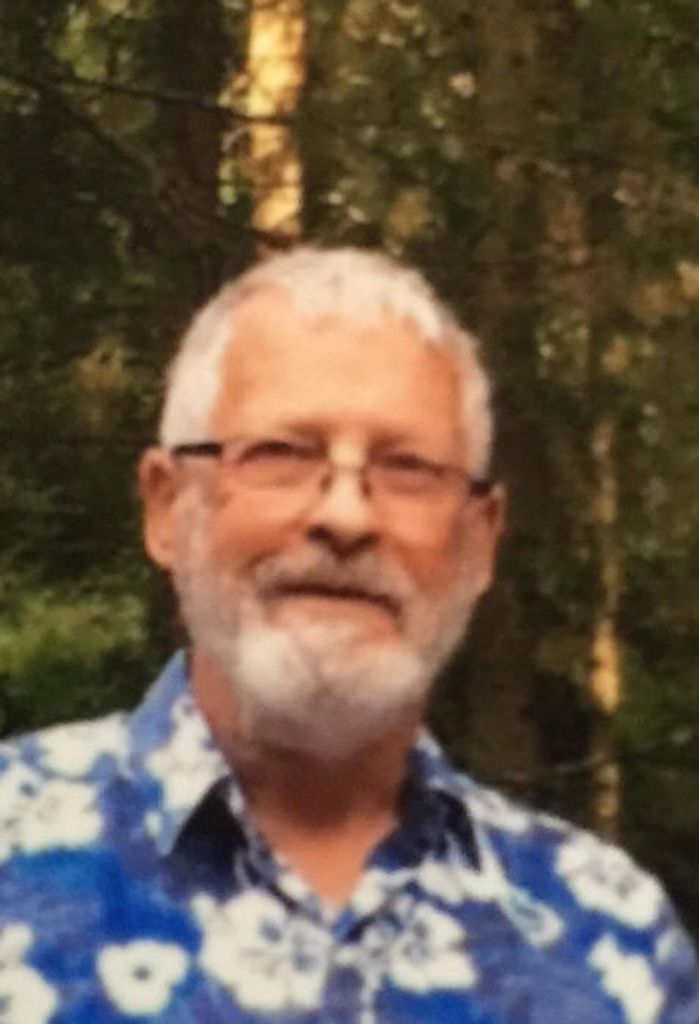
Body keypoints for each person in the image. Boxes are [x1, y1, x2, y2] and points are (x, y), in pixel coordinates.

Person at [0, 248, 696, 1024]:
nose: (346, 516)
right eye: (282, 453)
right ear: (167, 508)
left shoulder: (605, 934)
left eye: (408, 468)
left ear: (479, 542)